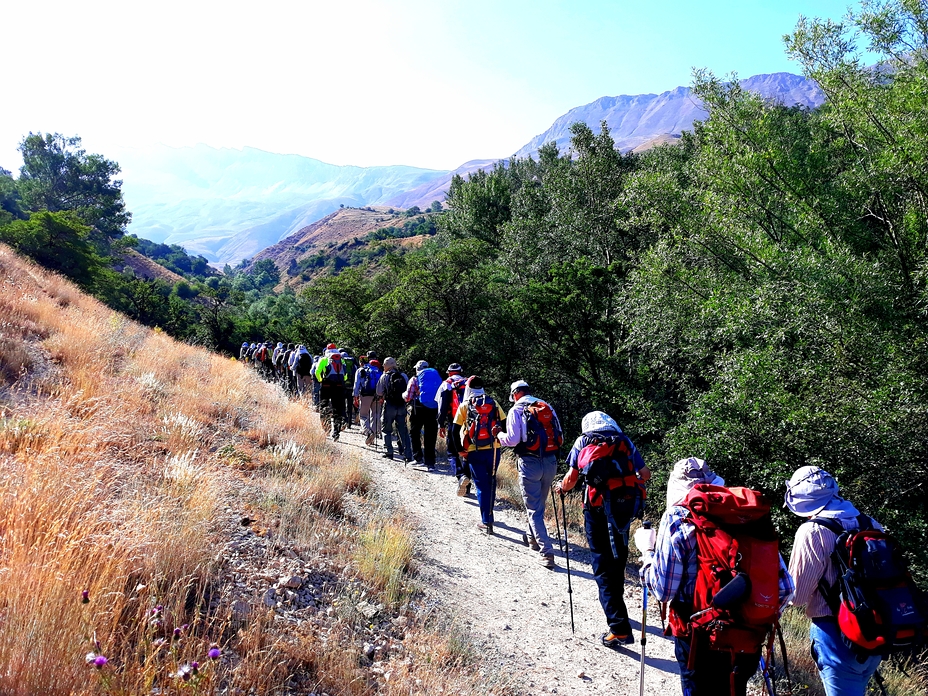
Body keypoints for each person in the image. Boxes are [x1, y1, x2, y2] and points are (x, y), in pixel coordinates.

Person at [639, 458, 795, 696]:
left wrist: (647, 554)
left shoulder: (677, 518)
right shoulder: (748, 517)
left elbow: (663, 590)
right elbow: (785, 588)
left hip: (698, 637)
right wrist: (752, 615)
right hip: (747, 638)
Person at [785, 466, 883, 696]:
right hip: (875, 629)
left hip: (835, 632)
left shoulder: (812, 531)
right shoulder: (870, 523)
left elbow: (796, 596)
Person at [557, 411, 650, 646]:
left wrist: (561, 489)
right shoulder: (624, 441)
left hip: (596, 508)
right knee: (618, 558)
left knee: (602, 564)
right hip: (624, 507)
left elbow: (571, 478)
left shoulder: (584, 441)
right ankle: (617, 606)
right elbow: (645, 473)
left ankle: (619, 627)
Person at [497, 380, 563, 568]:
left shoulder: (516, 410)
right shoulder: (546, 406)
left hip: (529, 462)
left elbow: (512, 440)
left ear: (515, 393)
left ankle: (547, 552)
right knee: (539, 504)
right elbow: (561, 436)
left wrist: (498, 435)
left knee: (534, 509)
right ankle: (533, 539)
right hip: (550, 461)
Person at [452, 376, 506, 534]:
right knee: (491, 482)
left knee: (481, 486)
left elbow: (454, 431)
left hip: (474, 451)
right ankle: (489, 514)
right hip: (494, 449)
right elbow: (503, 423)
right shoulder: (493, 403)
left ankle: (487, 522)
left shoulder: (465, 405)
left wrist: (460, 450)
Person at [405, 360, 443, 470]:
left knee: (414, 432)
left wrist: (403, 396)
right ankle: (430, 463)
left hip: (419, 408)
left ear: (417, 369)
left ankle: (418, 459)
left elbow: (408, 396)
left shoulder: (415, 379)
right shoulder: (435, 378)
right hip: (433, 408)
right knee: (430, 434)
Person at [438, 363, 469, 494]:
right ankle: (467, 487)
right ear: (460, 372)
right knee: (467, 453)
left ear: (449, 373)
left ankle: (461, 476)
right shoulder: (469, 383)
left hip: (454, 421)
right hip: (470, 422)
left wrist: (441, 424)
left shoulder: (446, 384)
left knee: (452, 452)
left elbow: (442, 406)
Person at [376, 357, 413, 462]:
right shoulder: (404, 376)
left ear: (387, 365)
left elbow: (379, 392)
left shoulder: (384, 376)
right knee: (403, 430)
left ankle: (389, 452)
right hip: (401, 406)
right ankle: (408, 454)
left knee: (386, 429)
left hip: (389, 405)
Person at [315, 349, 347, 440]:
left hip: (326, 385)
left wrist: (321, 380)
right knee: (337, 409)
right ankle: (336, 432)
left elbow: (317, 371)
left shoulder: (324, 359)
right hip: (339, 386)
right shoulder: (341, 359)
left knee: (324, 406)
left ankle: (327, 429)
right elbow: (345, 375)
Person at [354, 353, 382, 447]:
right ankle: (373, 433)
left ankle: (367, 431)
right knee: (375, 414)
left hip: (365, 394)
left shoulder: (361, 370)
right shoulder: (378, 370)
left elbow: (357, 384)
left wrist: (355, 395)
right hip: (377, 395)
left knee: (363, 415)